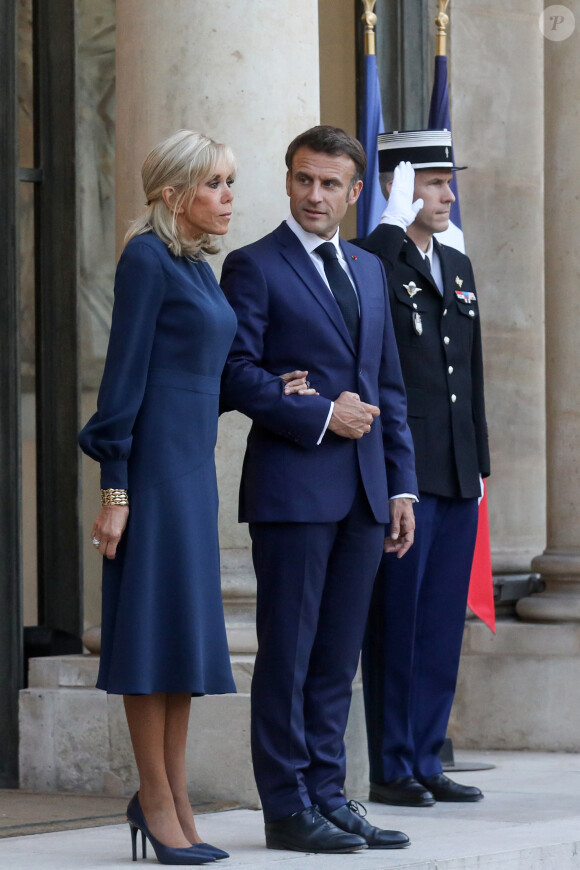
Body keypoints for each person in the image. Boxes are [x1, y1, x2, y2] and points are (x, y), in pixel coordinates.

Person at [220, 125, 418, 854]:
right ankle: (286, 806)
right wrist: (317, 412)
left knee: (338, 657)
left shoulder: (367, 269)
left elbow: (388, 387)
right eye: (304, 179)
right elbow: (234, 372)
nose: (315, 195)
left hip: (366, 495)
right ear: (288, 180)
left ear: (354, 192)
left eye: (330, 184)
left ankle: (331, 795)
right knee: (289, 654)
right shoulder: (253, 265)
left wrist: (403, 487)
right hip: (292, 492)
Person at [79, 129, 242, 865]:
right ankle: (154, 798)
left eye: (230, 182)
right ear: (174, 194)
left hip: (191, 473)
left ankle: (175, 797)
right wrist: (115, 489)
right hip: (149, 475)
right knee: (149, 640)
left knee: (178, 640)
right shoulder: (146, 259)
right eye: (213, 184)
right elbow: (123, 384)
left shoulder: (199, 270)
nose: (228, 197)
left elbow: (201, 377)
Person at [355, 129, 490, 808]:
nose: (446, 194)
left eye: (446, 182)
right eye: (432, 182)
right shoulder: (378, 257)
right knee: (397, 620)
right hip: (405, 472)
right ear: (395, 186)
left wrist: (482, 463)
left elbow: (472, 372)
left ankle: (427, 752)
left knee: (439, 622)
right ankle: (390, 763)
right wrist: (387, 225)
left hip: (458, 471)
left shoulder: (456, 265)